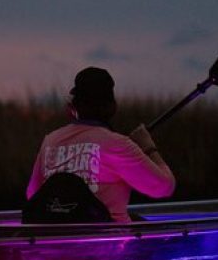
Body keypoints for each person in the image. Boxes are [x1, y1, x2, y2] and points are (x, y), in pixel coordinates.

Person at [26, 67, 175, 222]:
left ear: (75, 106)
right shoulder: (119, 145)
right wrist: (148, 147)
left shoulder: (50, 140)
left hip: (58, 241)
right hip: (110, 243)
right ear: (112, 106)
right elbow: (164, 187)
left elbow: (32, 193)